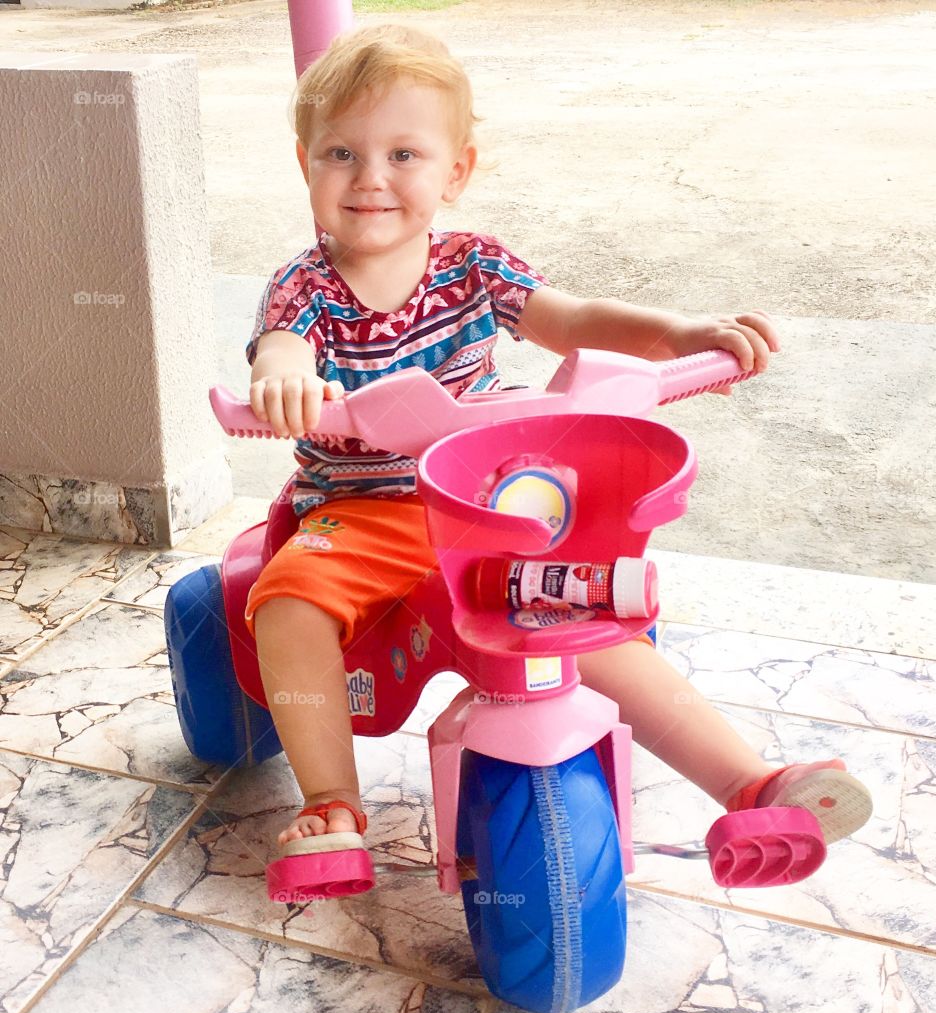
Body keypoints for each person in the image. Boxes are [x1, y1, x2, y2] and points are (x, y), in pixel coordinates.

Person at [242, 24, 871, 881]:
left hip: (477, 508)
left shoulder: (474, 267)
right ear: (307, 165)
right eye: (341, 154)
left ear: (456, 171)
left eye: (404, 153)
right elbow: (281, 347)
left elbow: (569, 319)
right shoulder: (303, 287)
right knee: (287, 603)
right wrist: (286, 381)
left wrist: (674, 334)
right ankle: (331, 805)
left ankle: (752, 781)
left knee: (569, 614)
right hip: (358, 514)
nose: (372, 178)